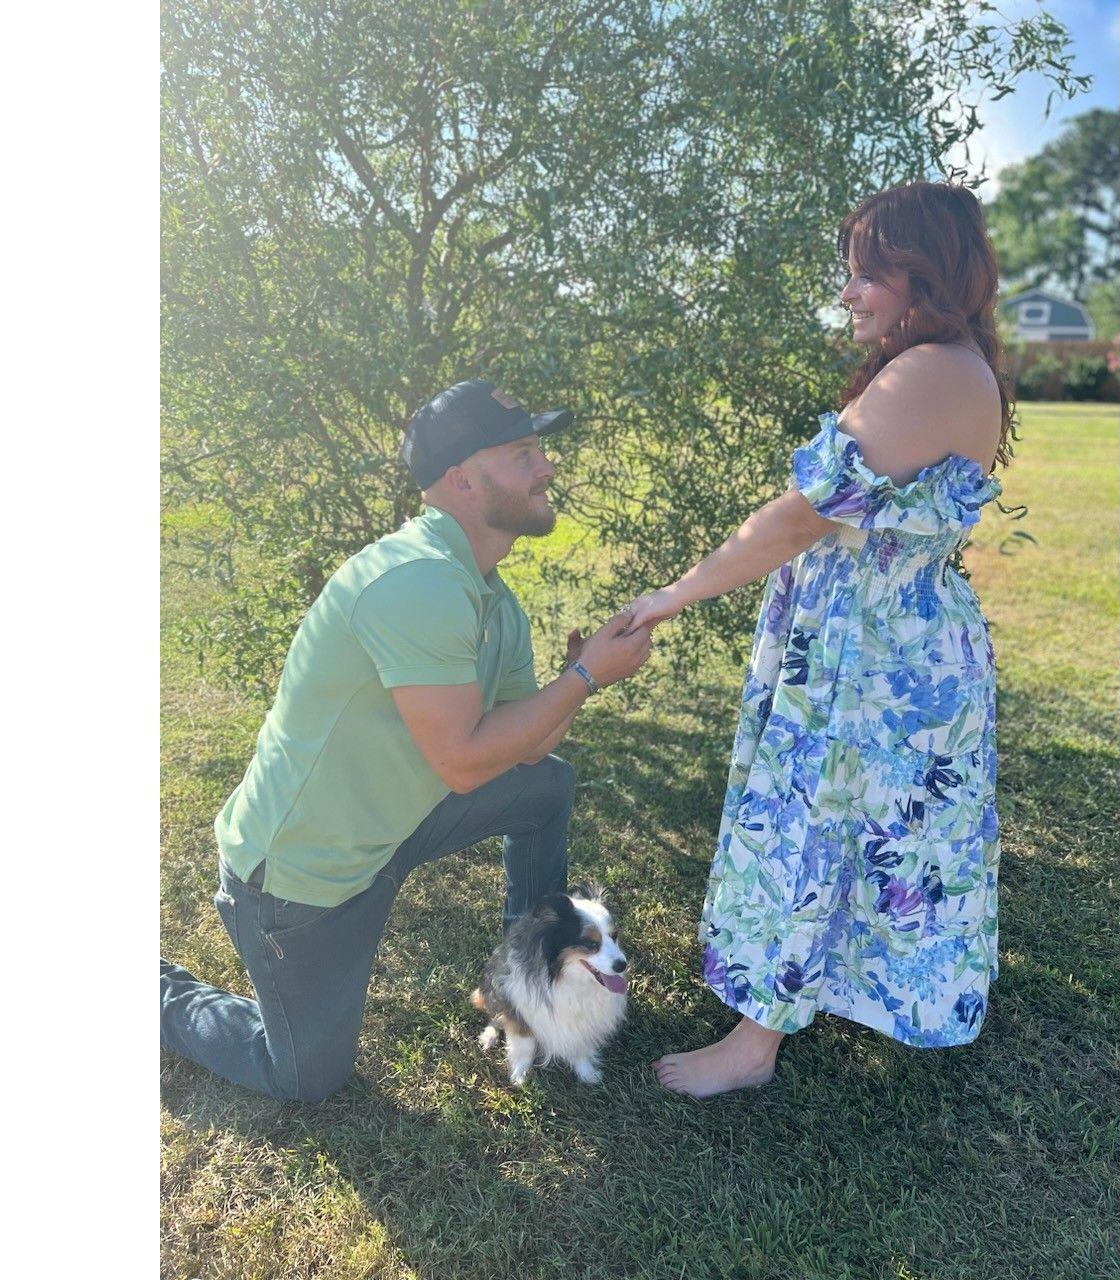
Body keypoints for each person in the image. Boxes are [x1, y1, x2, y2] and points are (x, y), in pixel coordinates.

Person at [161, 380, 652, 1102]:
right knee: (303, 1077)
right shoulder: (416, 581)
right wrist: (582, 675)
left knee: (546, 785)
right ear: (463, 479)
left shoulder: (494, 601)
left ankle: (529, 983)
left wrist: (580, 682)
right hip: (302, 878)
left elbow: (525, 750)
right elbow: (462, 763)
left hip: (389, 830)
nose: (546, 468)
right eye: (523, 454)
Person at [625, 182, 1011, 1097]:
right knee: (866, 833)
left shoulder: (931, 372)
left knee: (814, 826)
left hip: (873, 663)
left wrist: (672, 595)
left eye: (868, 273)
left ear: (925, 274)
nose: (849, 293)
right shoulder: (946, 366)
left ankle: (752, 1047)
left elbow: (799, 519)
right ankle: (813, 996)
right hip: (893, 651)